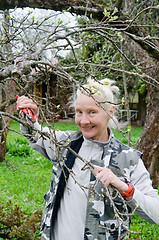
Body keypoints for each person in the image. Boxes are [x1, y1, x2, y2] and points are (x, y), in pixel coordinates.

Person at [16, 78, 159, 240]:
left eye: (92, 112)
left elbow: (156, 214)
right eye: (79, 112)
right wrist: (28, 113)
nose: (83, 121)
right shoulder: (65, 144)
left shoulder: (128, 159)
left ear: (110, 112)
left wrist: (125, 189)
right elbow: (35, 133)